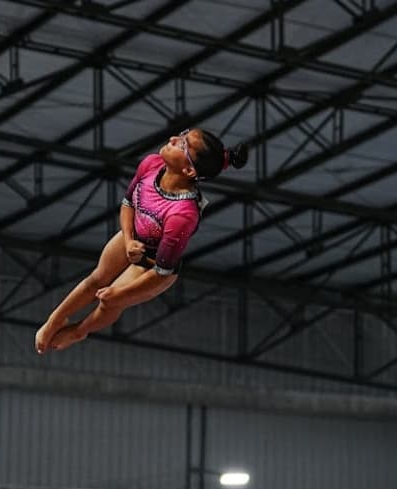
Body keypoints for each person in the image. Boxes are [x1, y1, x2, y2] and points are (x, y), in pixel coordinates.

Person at [34, 128, 249, 354]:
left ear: (188, 169)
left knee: (110, 299)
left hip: (155, 267)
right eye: (181, 134)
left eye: (182, 144)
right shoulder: (151, 165)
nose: (173, 138)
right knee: (97, 279)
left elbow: (162, 271)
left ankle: (79, 330)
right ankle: (54, 320)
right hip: (134, 235)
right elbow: (128, 204)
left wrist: (121, 294)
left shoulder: (182, 214)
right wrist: (128, 241)